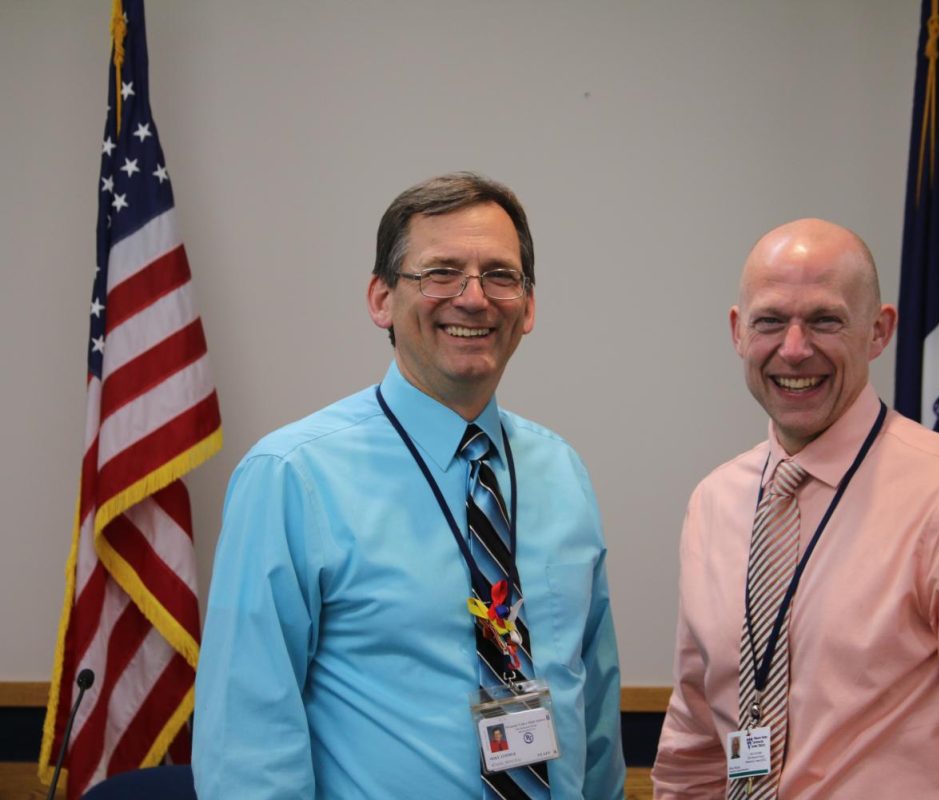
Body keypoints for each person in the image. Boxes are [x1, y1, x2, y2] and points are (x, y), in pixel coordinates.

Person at [194, 173, 624, 799]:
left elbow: (597, 712)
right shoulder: (292, 477)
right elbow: (246, 748)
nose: (474, 298)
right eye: (440, 273)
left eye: (500, 276)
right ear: (380, 299)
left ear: (528, 306)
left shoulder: (562, 473)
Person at [652, 219, 939, 798]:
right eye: (771, 321)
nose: (795, 349)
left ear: (879, 332)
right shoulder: (713, 502)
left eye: (825, 320)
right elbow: (695, 740)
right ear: (737, 331)